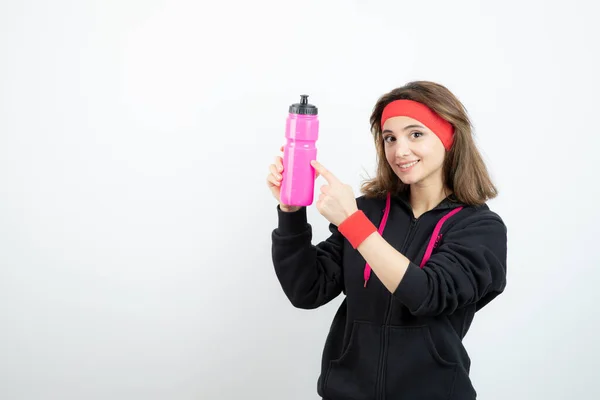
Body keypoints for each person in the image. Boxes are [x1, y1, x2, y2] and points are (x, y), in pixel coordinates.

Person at [266, 81, 507, 400]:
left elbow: (427, 294)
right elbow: (307, 290)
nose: (399, 150)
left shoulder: (479, 227)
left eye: (415, 134)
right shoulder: (368, 211)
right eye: (389, 138)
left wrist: (354, 225)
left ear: (449, 137)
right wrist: (291, 210)